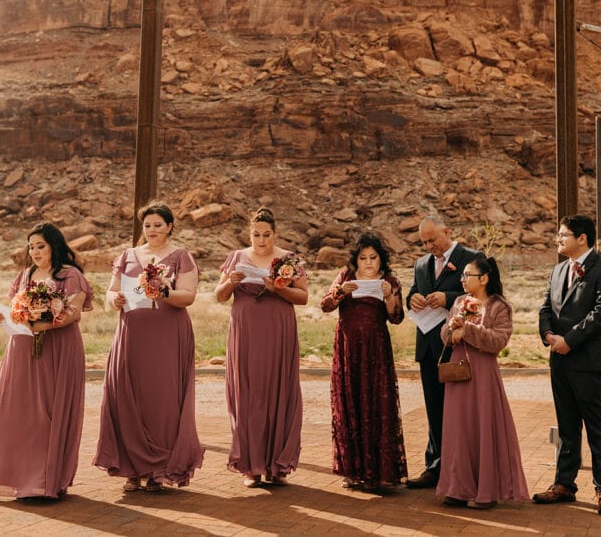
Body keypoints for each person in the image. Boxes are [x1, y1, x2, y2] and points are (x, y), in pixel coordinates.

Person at [0, 222, 92, 499]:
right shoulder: (25, 275)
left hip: (58, 348)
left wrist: (44, 324)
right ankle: (10, 476)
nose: (34, 251)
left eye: (40, 246)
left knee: (46, 412)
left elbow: (73, 312)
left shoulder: (70, 275)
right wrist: (1, 316)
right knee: (7, 407)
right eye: (31, 246)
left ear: (54, 246)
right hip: (21, 348)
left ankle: (43, 481)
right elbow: (14, 308)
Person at [94, 201, 203, 491]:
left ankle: (158, 470)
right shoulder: (129, 254)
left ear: (169, 226)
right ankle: (132, 468)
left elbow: (188, 296)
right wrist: (113, 300)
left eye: (157, 225)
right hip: (132, 335)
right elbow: (111, 290)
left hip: (167, 337)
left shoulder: (181, 256)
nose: (152, 230)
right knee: (128, 397)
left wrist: (164, 291)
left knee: (162, 400)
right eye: (147, 225)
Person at [533, 214, 601, 516]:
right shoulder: (558, 270)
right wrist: (548, 335)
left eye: (562, 235)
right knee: (567, 426)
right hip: (559, 359)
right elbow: (546, 305)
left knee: (597, 426)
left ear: (582, 237)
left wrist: (569, 340)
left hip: (589, 360)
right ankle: (564, 484)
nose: (557, 240)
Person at [215, 207, 308, 488]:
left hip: (278, 331)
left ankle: (277, 466)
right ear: (249, 233)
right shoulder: (236, 257)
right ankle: (251, 466)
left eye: (267, 235)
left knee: (277, 390)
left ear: (275, 233)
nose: (261, 240)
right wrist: (230, 283)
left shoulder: (289, 259)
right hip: (245, 332)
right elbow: (219, 296)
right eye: (256, 235)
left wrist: (278, 288)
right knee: (248, 394)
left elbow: (303, 297)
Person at [436, 253, 528, 509]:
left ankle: (485, 492)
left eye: (468, 275)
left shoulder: (499, 306)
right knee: (458, 430)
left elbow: (499, 341)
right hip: (458, 372)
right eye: (462, 275)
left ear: (484, 278)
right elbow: (445, 336)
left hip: (484, 374)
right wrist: (453, 329)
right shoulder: (459, 302)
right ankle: (458, 488)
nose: (463, 279)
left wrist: (469, 329)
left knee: (482, 427)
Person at [320, 232, 407, 490]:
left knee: (377, 404)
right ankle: (352, 470)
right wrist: (339, 293)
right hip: (348, 349)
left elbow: (397, 318)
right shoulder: (345, 277)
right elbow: (325, 306)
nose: (368, 263)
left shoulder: (390, 281)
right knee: (350, 403)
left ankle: (380, 472)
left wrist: (389, 297)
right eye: (363, 258)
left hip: (376, 350)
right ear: (355, 260)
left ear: (381, 260)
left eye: (373, 257)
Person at [404, 216, 479, 489]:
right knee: (434, 410)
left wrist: (448, 298)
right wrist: (411, 298)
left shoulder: (471, 257)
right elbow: (414, 292)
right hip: (428, 348)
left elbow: (483, 293)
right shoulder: (421, 264)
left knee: (460, 411)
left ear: (447, 231)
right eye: (424, 241)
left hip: (457, 346)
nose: (428, 246)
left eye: (432, 239)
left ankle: (462, 469)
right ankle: (434, 467)